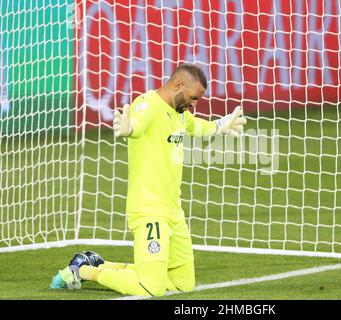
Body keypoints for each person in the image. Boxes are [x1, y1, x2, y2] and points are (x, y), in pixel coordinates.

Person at [50, 63, 247, 296]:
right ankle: (82, 271)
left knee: (183, 283)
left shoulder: (179, 114)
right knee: (150, 288)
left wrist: (222, 125)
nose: (194, 104)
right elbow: (137, 124)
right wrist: (129, 128)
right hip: (149, 211)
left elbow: (196, 126)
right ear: (177, 85)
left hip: (173, 212)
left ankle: (100, 264)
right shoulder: (147, 105)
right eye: (194, 98)